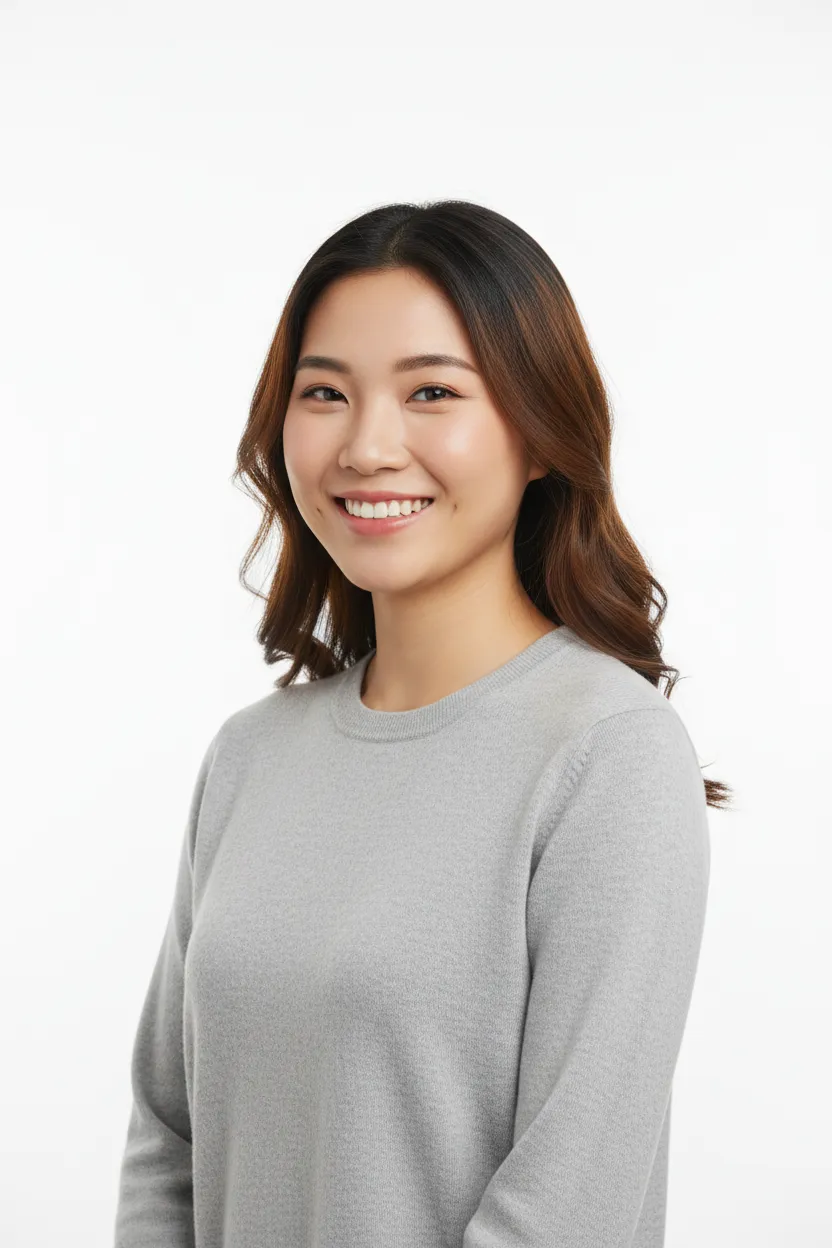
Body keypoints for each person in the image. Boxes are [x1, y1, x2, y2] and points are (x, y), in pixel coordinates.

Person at [113, 199, 730, 1248]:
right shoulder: (249, 758)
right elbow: (167, 1138)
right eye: (324, 394)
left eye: (431, 391)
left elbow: (566, 1209)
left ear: (540, 432)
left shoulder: (607, 755)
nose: (366, 446)